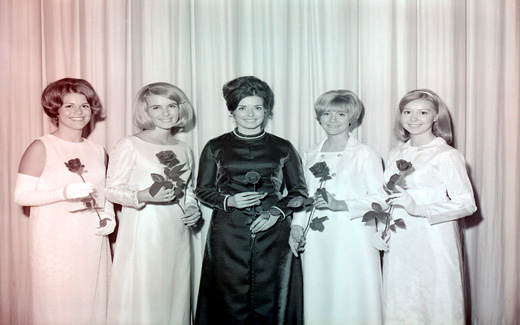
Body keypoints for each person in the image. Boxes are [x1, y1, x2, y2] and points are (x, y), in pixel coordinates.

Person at [194, 76, 307, 324]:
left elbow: (299, 192)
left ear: (267, 110)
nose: (250, 114)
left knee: (271, 299)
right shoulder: (215, 146)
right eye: (242, 108)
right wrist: (229, 201)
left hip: (273, 233)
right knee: (227, 299)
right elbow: (201, 189)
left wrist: (275, 213)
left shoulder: (283, 147)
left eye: (257, 107)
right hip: (228, 234)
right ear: (231, 112)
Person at [13, 78, 115, 324]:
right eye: (69, 106)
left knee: (93, 306)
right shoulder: (41, 147)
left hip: (91, 241)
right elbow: (21, 196)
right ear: (55, 109)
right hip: (54, 244)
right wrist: (63, 193)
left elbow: (104, 193)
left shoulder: (98, 150)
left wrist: (110, 218)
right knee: (58, 309)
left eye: (84, 105)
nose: (78, 112)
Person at [374, 89, 477, 324]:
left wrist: (421, 208)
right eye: (407, 111)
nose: (413, 118)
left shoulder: (446, 155)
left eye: (423, 112)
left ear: (436, 117)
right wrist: (380, 230)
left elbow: (466, 203)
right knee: (400, 299)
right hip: (400, 241)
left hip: (433, 239)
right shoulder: (395, 153)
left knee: (434, 301)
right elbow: (388, 197)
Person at [105, 82, 201, 324]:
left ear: (181, 109)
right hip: (144, 230)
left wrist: (192, 208)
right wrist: (142, 195)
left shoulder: (184, 148)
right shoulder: (129, 144)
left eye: (171, 105)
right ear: (145, 111)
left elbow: (188, 190)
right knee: (146, 291)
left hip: (177, 232)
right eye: (156, 107)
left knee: (174, 291)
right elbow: (111, 190)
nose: (166, 113)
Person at [288, 90, 385, 324]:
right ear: (318, 117)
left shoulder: (365, 154)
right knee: (320, 293)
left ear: (352, 118)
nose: (332, 119)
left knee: (352, 294)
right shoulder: (310, 153)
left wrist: (340, 204)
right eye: (327, 113)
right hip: (318, 238)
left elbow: (380, 200)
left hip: (353, 236)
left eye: (340, 114)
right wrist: (296, 228)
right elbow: (304, 196)